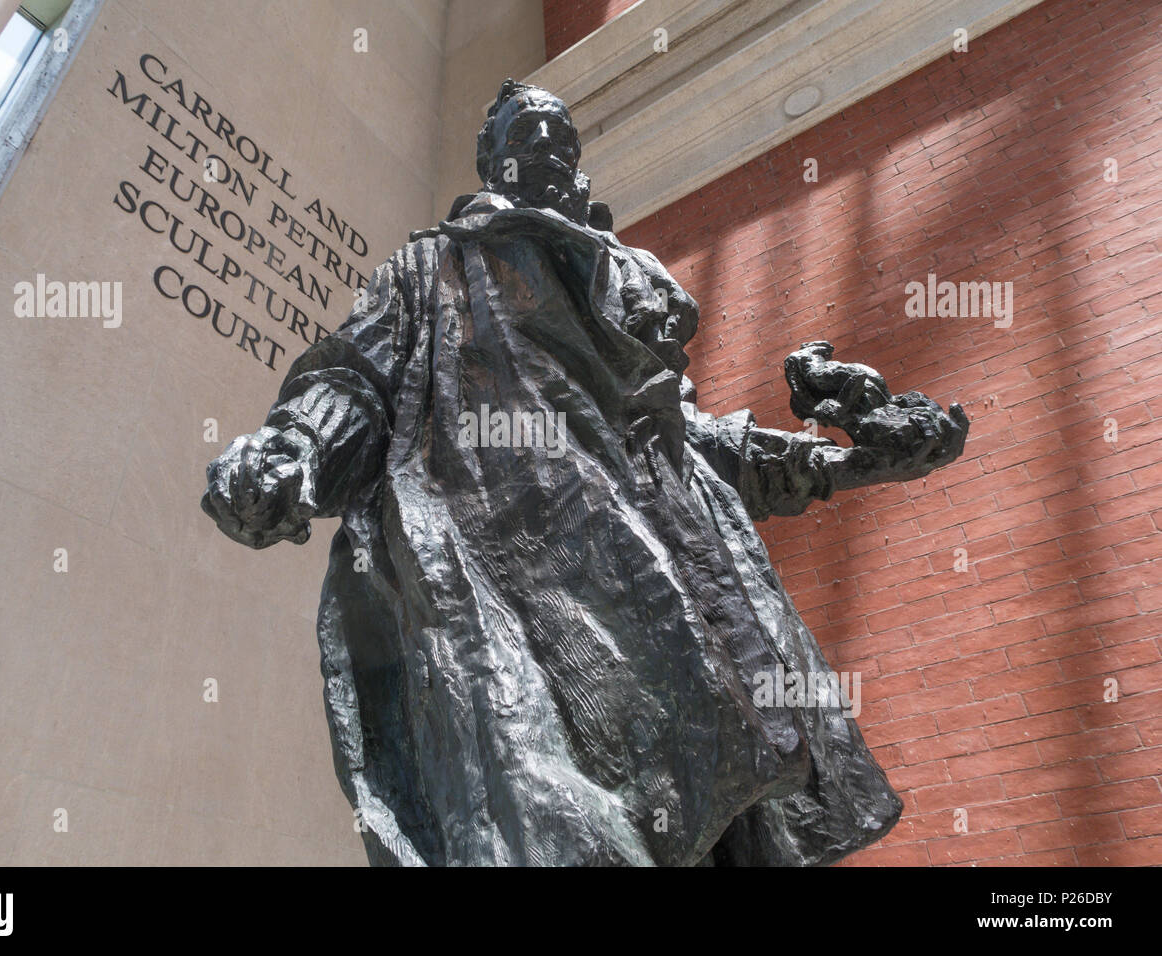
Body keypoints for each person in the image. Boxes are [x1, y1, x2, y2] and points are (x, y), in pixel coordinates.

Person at [201, 79, 968, 866]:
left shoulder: (627, 279)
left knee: (716, 812)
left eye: (559, 135)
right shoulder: (433, 270)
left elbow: (682, 442)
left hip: (674, 596)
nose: (545, 148)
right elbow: (356, 381)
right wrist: (294, 453)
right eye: (523, 134)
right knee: (549, 826)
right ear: (491, 160)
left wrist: (836, 463)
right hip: (509, 591)